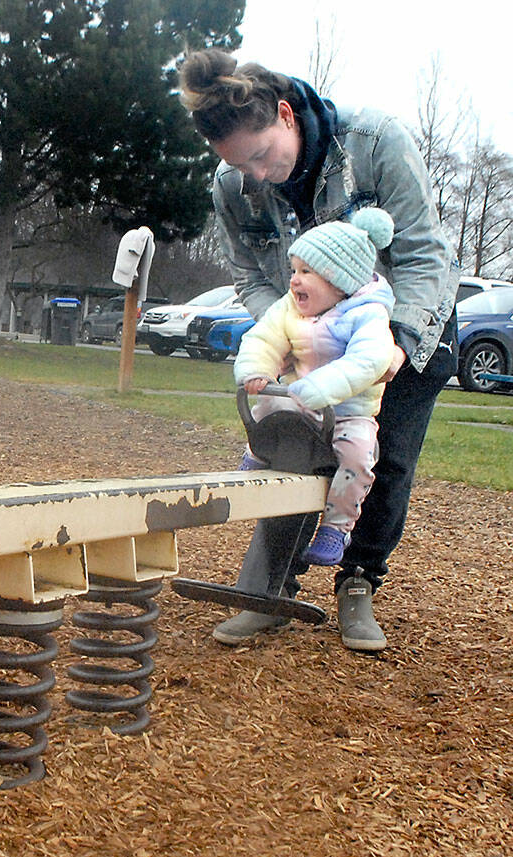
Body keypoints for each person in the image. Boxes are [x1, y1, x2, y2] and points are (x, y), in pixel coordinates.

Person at [179, 49, 460, 652]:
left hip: (408, 329)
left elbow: (426, 255)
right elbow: (250, 276)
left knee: (377, 460)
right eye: (237, 164)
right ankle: (271, 590)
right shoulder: (234, 182)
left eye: (260, 155)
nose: (253, 175)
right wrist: (281, 334)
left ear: (285, 114)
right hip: (308, 336)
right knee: (289, 448)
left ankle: (357, 583)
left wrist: (394, 344)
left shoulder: (374, 140)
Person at [235, 207, 396, 568]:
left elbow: (369, 360)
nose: (294, 280)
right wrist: (257, 370)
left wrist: (321, 387)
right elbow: (264, 337)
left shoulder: (367, 314)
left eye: (306, 272)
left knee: (357, 457)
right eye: (294, 270)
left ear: (338, 280)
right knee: (268, 408)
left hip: (349, 413)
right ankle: (257, 458)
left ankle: (336, 527)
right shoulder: (289, 307)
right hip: (301, 400)